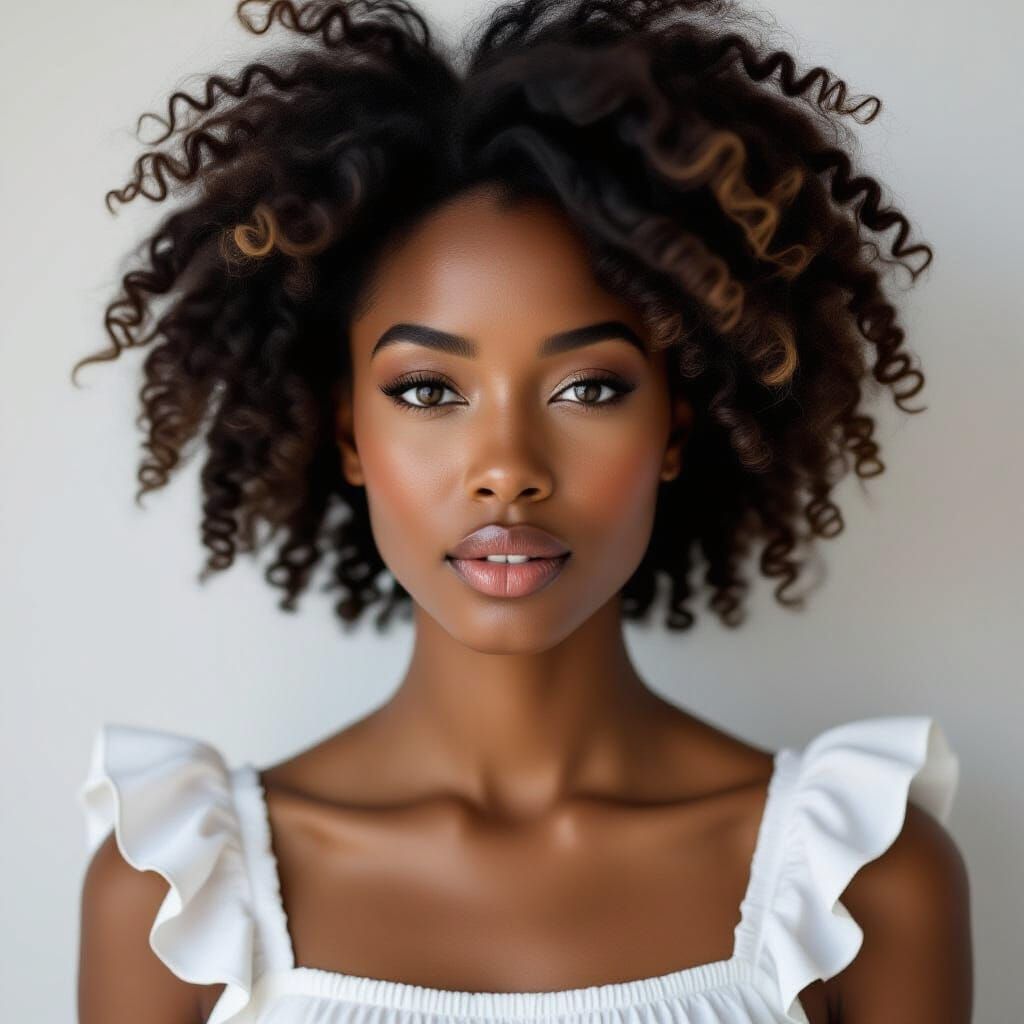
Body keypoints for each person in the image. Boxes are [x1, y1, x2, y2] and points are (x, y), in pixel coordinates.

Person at [73, 0, 972, 1022]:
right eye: (426, 390)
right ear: (348, 433)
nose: (506, 470)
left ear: (676, 426)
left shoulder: (861, 882)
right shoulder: (174, 893)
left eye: (588, 388)